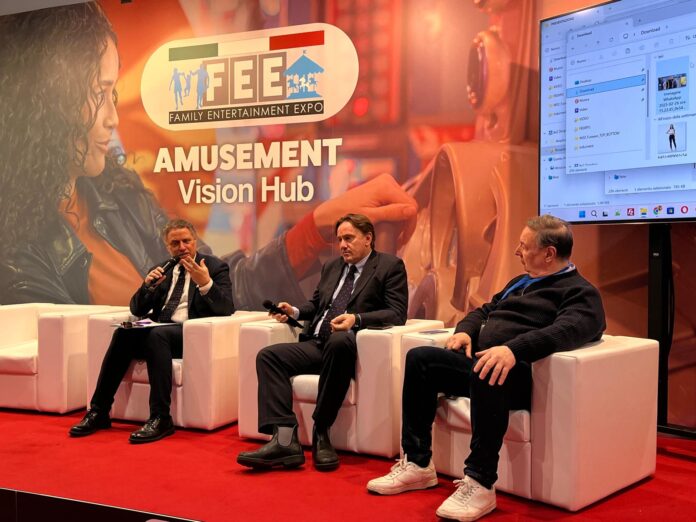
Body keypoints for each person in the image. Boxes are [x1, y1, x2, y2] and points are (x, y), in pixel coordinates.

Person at [367, 215, 606, 521]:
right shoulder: (520, 282)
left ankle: (480, 482)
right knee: (420, 359)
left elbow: (566, 330)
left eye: (524, 246)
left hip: (524, 377)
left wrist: (513, 350)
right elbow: (483, 311)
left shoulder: (580, 292)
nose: (517, 252)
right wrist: (465, 331)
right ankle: (417, 463)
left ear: (549, 253)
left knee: (488, 368)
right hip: (485, 365)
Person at [237, 213, 408, 471]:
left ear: (368, 238)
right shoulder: (332, 266)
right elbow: (317, 304)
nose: (342, 245)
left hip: (349, 348)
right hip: (317, 343)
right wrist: (294, 311)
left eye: (349, 238)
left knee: (339, 341)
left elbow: (397, 313)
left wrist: (356, 319)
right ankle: (285, 439)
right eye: (339, 240)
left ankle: (321, 430)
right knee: (268, 356)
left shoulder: (389, 266)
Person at [69, 219, 235, 443]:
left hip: (189, 333)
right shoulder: (163, 269)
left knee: (158, 335)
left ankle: (161, 417)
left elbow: (226, 308)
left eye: (186, 241)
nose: (182, 247)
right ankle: (99, 411)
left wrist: (205, 283)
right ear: (168, 246)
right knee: (123, 331)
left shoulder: (214, 267)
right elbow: (136, 309)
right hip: (158, 328)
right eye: (175, 243)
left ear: (195, 241)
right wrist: (147, 287)